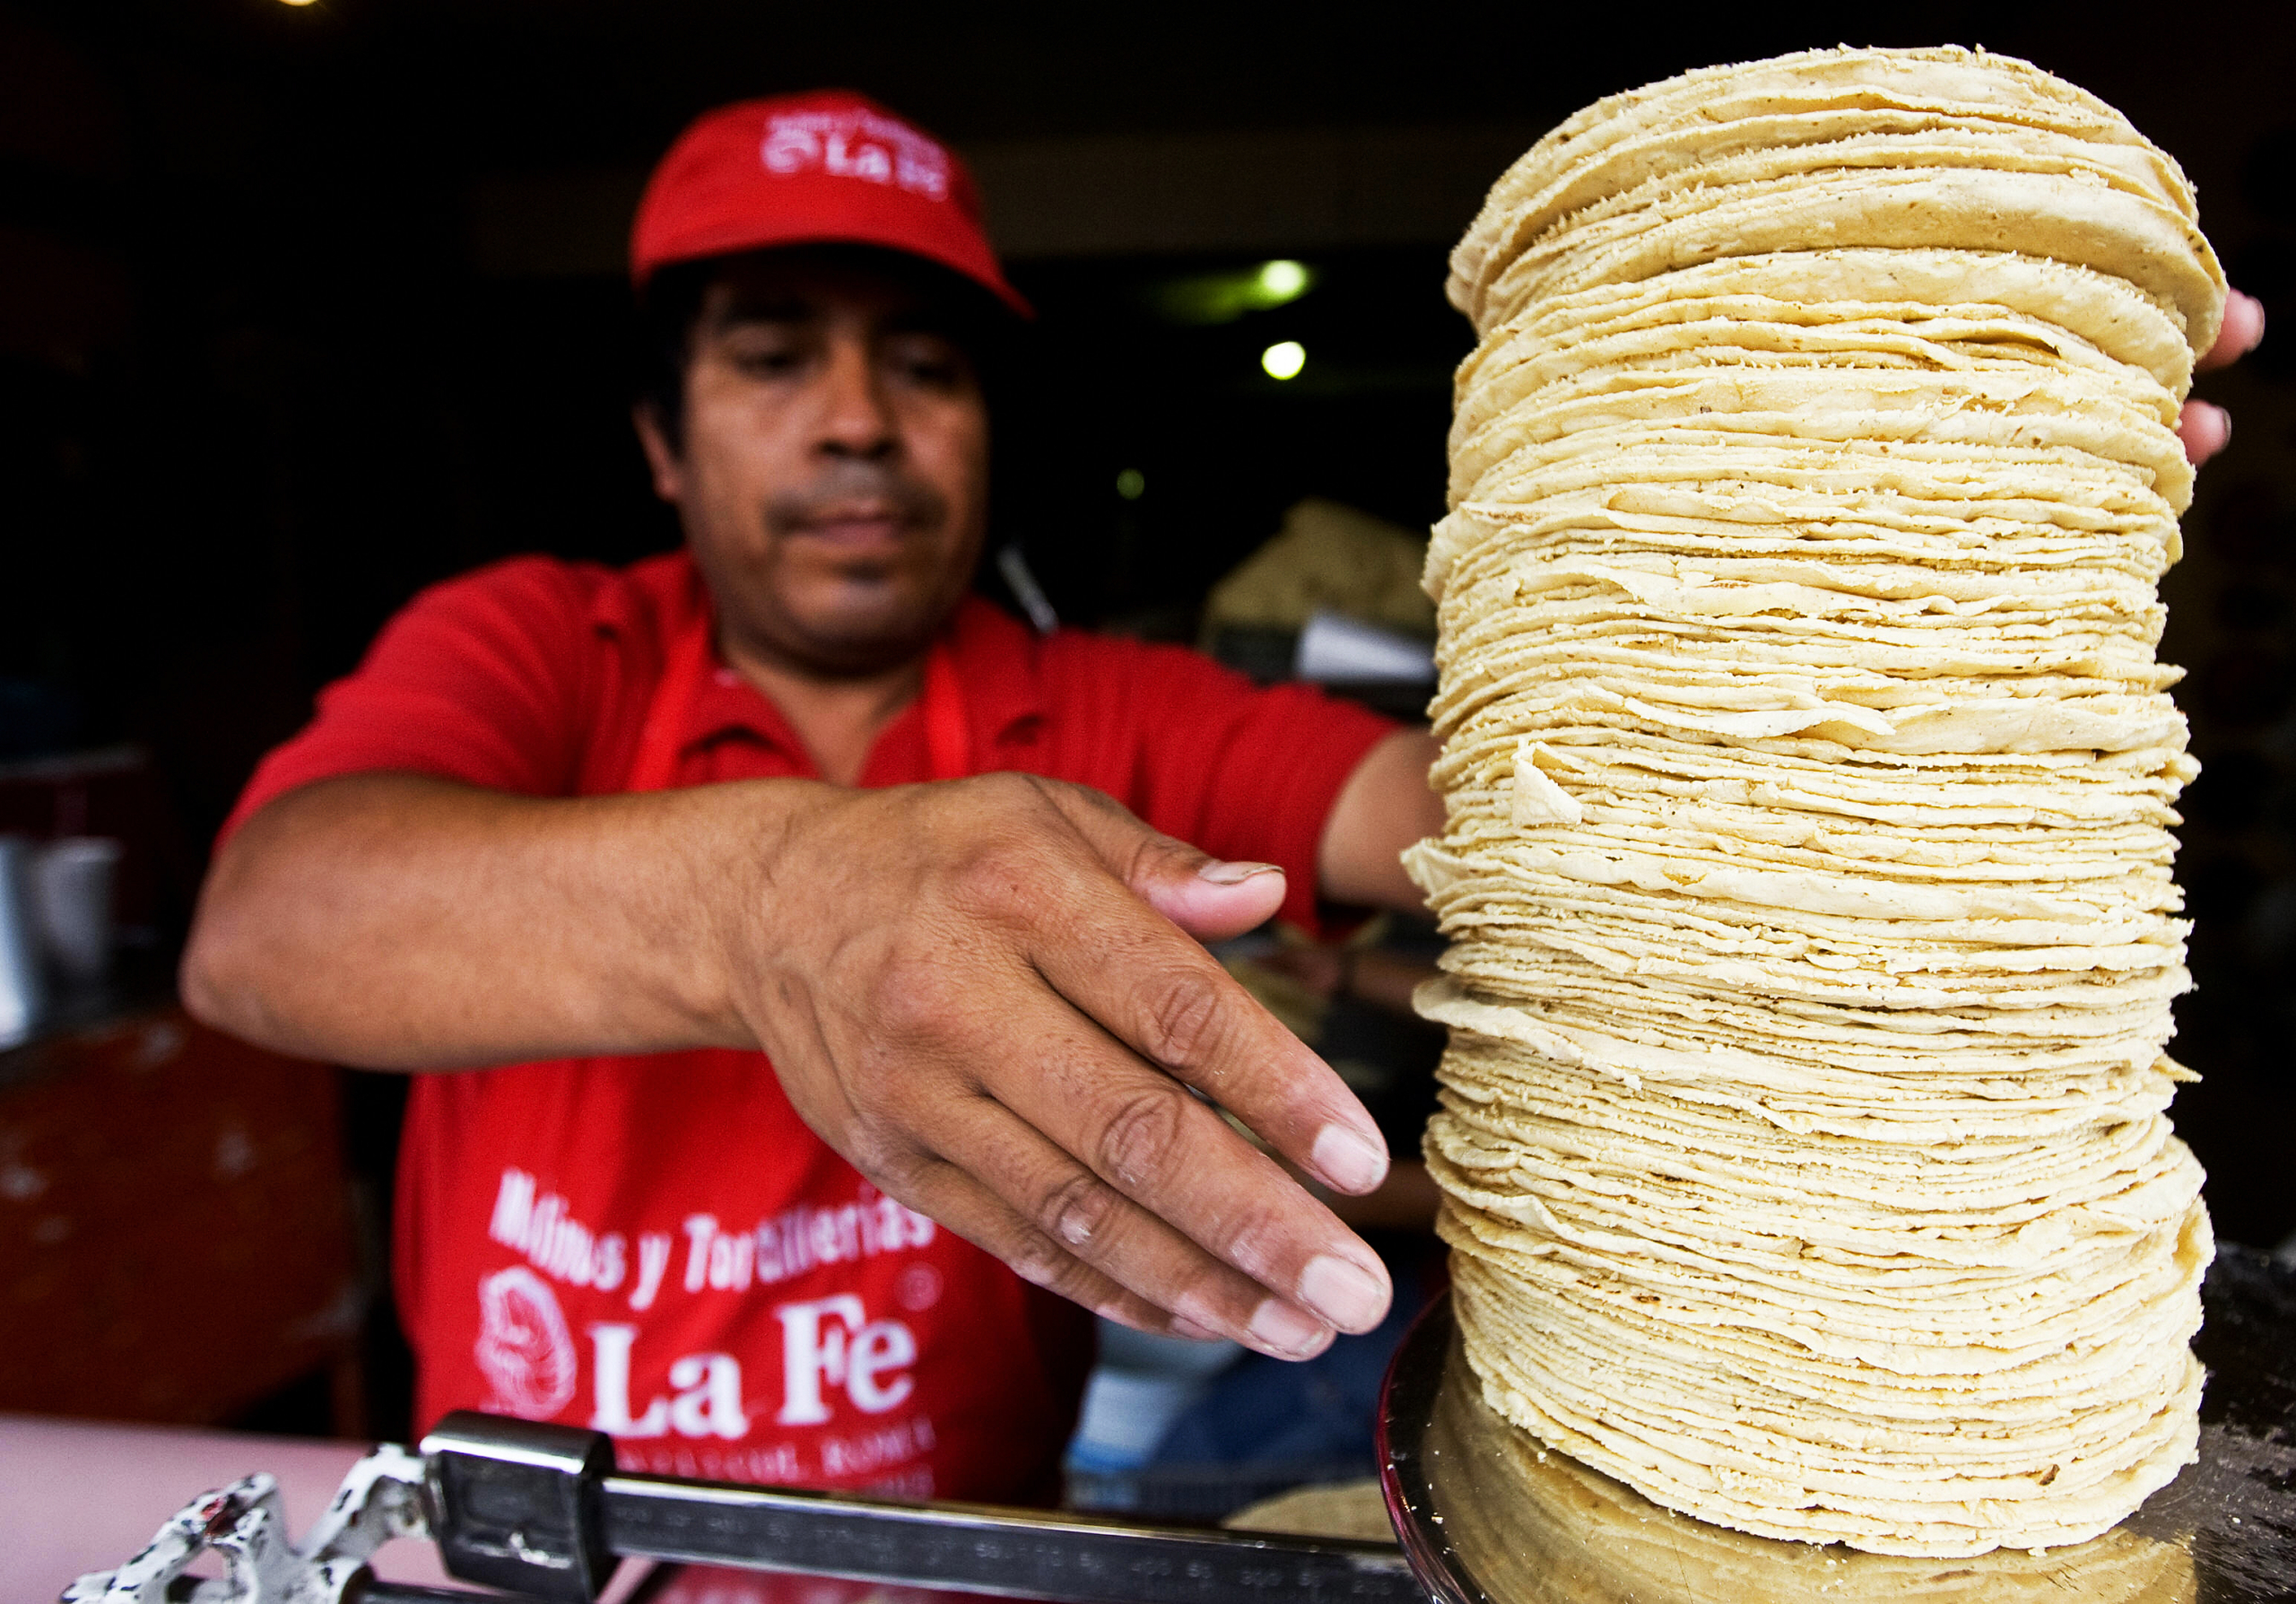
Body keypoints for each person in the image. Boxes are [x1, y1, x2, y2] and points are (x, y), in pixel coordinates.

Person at [181, 89, 2266, 1502]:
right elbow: (271, 927)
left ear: (983, 420)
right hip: (538, 1539)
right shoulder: (544, 648)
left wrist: (1873, 551)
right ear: (658, 438)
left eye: (918, 361)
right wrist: (772, 900)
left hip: (969, 1551)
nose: (853, 421)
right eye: (769, 352)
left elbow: (1534, 818)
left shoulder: (1102, 710)